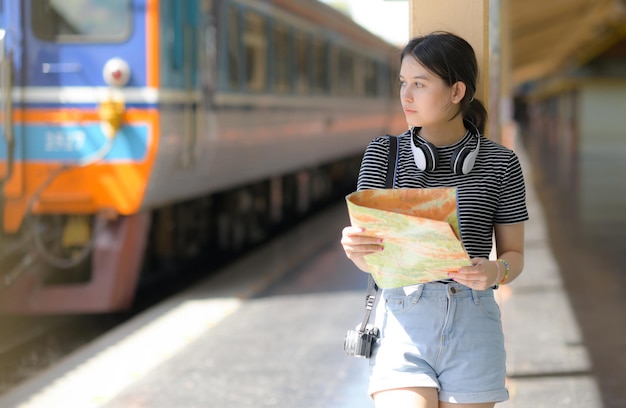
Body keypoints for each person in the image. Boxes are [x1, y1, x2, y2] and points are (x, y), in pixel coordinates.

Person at [340, 31, 528, 408]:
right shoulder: (383, 154)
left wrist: (495, 271)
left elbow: (514, 256)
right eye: (403, 83)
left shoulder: (501, 163)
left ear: (457, 91)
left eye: (420, 84)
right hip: (404, 319)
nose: (406, 95)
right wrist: (355, 249)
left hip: (474, 321)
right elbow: (372, 262)